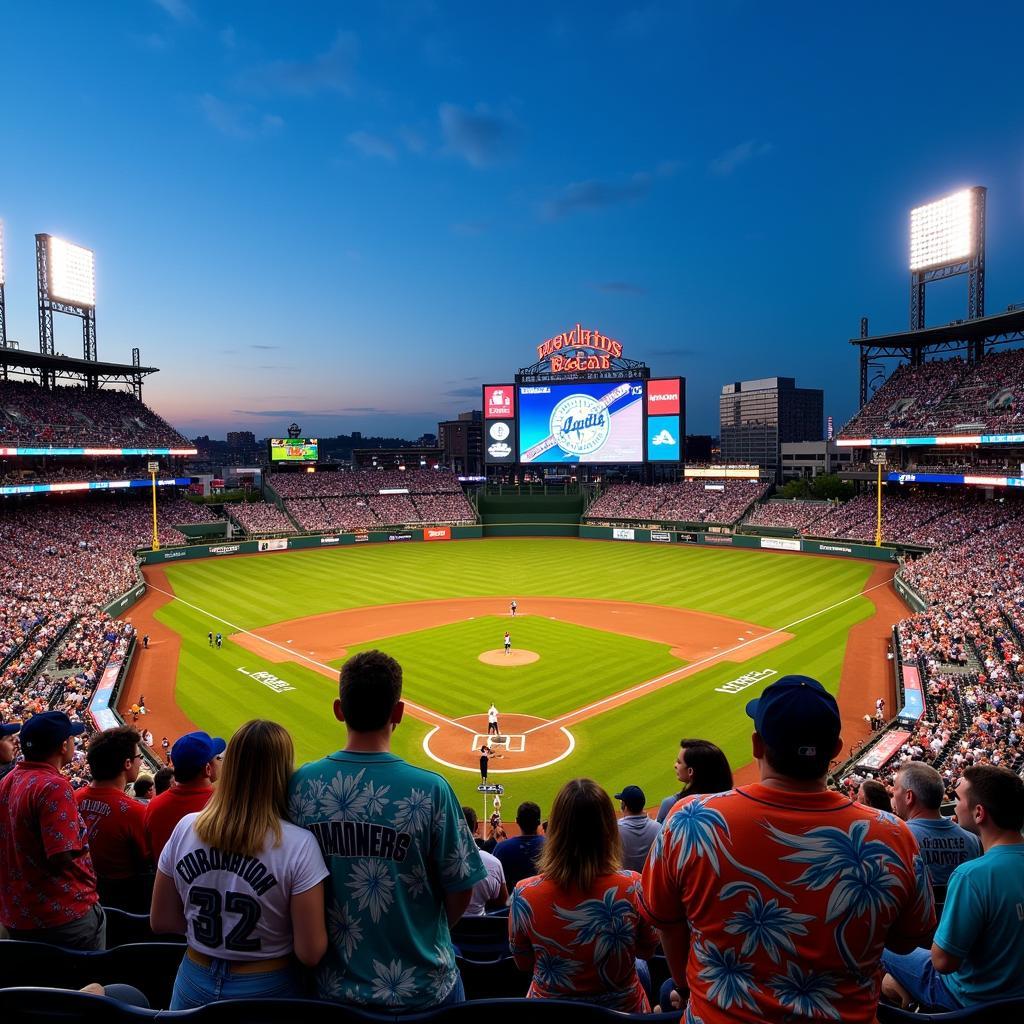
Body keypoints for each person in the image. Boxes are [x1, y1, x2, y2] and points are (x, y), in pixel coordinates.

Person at [641, 675, 934, 1024]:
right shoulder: (894, 836)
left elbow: (665, 923)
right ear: (836, 749)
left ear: (756, 745)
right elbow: (906, 942)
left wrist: (686, 987)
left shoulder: (689, 820)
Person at [288, 650, 486, 1011]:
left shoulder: (301, 785)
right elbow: (461, 890)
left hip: (332, 994)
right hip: (425, 990)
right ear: (398, 713)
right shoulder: (432, 790)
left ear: (339, 710)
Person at [152, 720, 329, 1009]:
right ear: (283, 772)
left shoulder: (185, 828)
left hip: (194, 979)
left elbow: (162, 921)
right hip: (267, 986)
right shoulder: (299, 844)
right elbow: (310, 952)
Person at [881, 765, 1024, 1011]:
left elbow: (943, 962)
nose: (954, 806)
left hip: (970, 998)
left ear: (979, 813)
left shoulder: (972, 876)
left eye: (957, 799)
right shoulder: (976, 863)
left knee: (880, 945)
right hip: (1015, 992)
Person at [510, 778, 658, 1011]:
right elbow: (646, 950)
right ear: (608, 828)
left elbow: (523, 962)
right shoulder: (634, 886)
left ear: (556, 828)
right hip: (625, 1011)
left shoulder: (525, 893)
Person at [0, 711, 104, 949]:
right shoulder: (54, 786)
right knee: (84, 984)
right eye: (71, 738)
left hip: (17, 915)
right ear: (62, 745)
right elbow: (62, 855)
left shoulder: (8, 780)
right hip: (62, 919)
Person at [75, 726, 151, 912]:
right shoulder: (135, 811)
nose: (140, 763)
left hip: (81, 897)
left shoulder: (72, 799)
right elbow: (149, 861)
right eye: (139, 758)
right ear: (127, 764)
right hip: (123, 903)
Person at [891, 761, 980, 889]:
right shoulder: (973, 840)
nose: (893, 794)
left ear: (909, 796)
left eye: (895, 789)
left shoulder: (897, 836)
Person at [144, 731, 225, 861]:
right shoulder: (224, 805)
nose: (220, 762)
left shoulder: (154, 806)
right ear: (207, 769)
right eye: (218, 758)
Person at [655, 738, 733, 823]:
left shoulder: (670, 804)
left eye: (679, 762)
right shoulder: (732, 800)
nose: (675, 765)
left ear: (690, 771)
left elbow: (658, 834)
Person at [462, 807, 508, 915]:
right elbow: (503, 903)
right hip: (483, 928)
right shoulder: (493, 863)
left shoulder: (434, 860)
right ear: (476, 827)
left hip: (447, 929)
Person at [493, 801, 545, 889]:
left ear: (517, 820)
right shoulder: (552, 847)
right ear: (539, 822)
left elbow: (494, 880)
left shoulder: (501, 848)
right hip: (544, 900)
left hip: (510, 900)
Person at [614, 785, 660, 873]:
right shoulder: (657, 828)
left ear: (625, 807)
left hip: (625, 884)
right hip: (650, 881)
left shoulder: (615, 830)